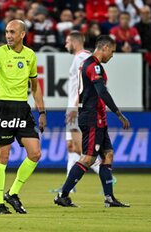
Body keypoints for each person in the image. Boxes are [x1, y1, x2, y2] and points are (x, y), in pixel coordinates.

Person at [0, 19, 46, 214]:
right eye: (7, 31)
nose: (8, 35)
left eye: (13, 32)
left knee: (35, 153)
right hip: (3, 107)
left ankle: (12, 193)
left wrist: (42, 112)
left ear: (22, 34)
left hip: (22, 109)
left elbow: (35, 87)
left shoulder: (30, 55)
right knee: (3, 156)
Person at [54, 35, 130, 208]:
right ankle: (63, 195)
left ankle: (109, 198)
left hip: (98, 117)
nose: (112, 55)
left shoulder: (91, 64)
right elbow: (102, 91)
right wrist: (118, 113)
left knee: (108, 154)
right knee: (88, 158)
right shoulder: (93, 66)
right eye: (112, 51)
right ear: (104, 48)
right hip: (91, 117)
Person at [50, 31, 103, 193]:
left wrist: (75, 105)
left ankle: (105, 175)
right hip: (73, 107)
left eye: (67, 42)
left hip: (77, 108)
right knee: (71, 146)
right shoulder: (80, 58)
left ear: (75, 42)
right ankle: (69, 187)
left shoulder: (82, 58)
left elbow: (85, 85)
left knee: (82, 148)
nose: (65, 45)